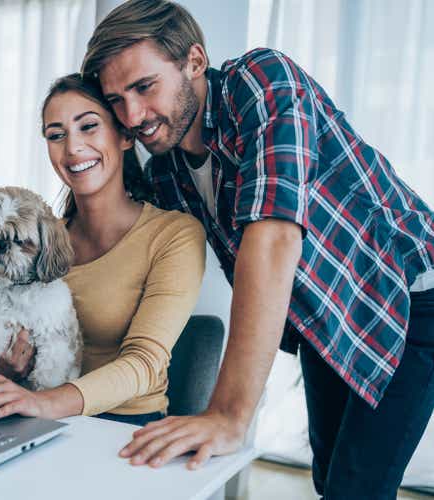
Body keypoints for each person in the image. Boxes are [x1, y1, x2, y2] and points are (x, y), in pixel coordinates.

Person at [79, 1, 434, 498]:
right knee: (330, 475)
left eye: (144, 87)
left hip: (407, 294)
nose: (133, 116)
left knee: (356, 488)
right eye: (116, 100)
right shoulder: (168, 171)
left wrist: (228, 415)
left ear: (195, 62)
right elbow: (122, 244)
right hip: (323, 312)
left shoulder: (262, 81)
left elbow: (273, 239)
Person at [0, 73, 206, 427]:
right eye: (56, 135)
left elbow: (144, 364)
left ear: (125, 135)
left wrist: (44, 403)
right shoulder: (33, 240)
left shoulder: (172, 234)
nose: (72, 148)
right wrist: (3, 374)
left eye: (88, 127)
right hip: (30, 417)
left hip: (120, 425)